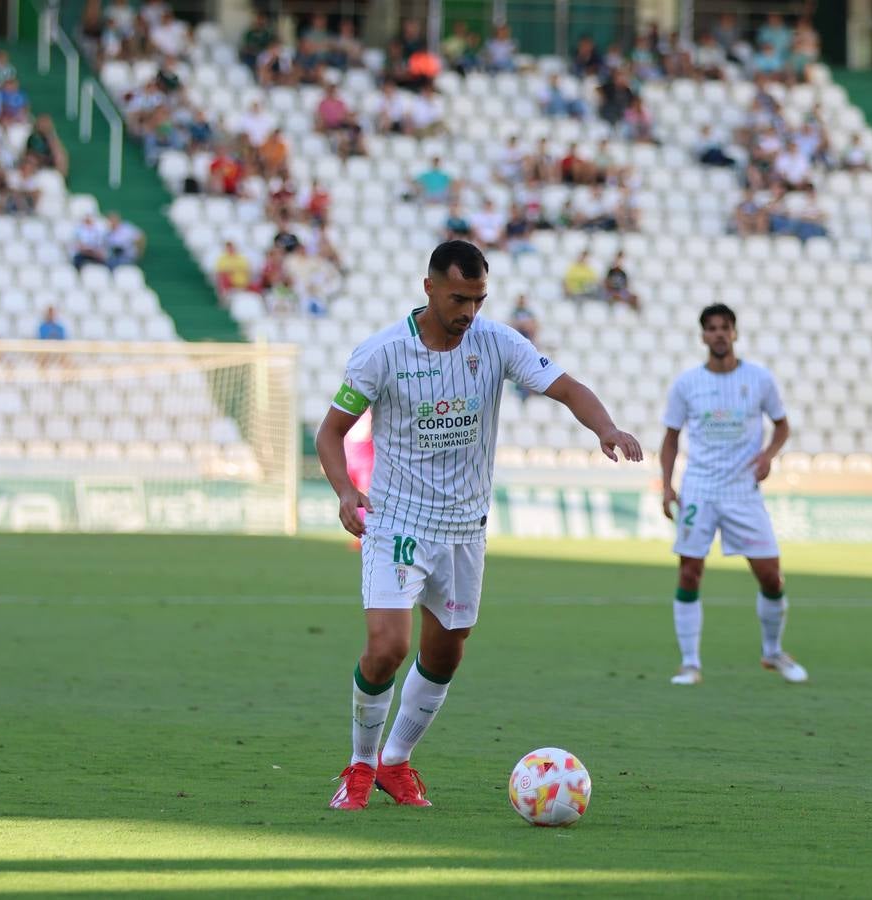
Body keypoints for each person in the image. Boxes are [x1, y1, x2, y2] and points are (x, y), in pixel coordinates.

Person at [318, 240, 642, 810]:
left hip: (466, 529)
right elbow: (330, 432)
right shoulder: (381, 353)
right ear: (429, 288)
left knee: (446, 654)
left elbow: (565, 387)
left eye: (478, 299)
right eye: (459, 298)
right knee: (387, 646)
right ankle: (359, 766)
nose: (469, 311)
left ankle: (397, 762)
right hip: (399, 523)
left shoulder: (495, 342)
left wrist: (606, 428)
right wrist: (346, 491)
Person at [660, 304, 807, 687]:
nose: (719, 334)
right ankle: (690, 663)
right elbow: (670, 438)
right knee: (690, 572)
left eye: (725, 327)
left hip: (743, 491)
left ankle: (773, 652)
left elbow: (782, 427)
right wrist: (666, 485)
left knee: (771, 576)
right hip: (700, 490)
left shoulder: (759, 379)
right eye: (712, 328)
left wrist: (768, 455)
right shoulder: (687, 384)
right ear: (703, 336)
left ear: (735, 333)